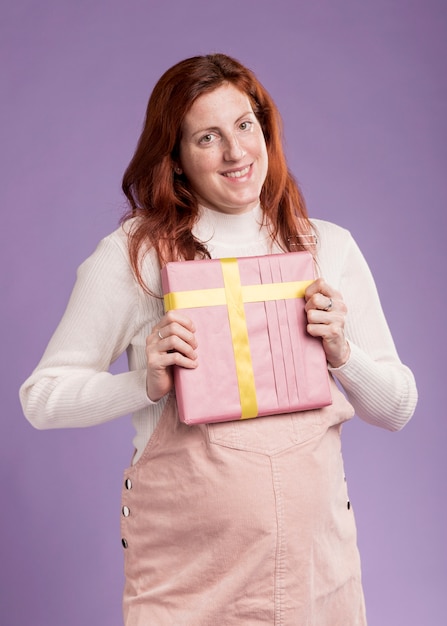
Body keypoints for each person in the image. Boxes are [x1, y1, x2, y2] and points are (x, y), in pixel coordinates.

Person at [20, 53, 417, 625]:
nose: (236, 154)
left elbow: (398, 408)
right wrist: (143, 383)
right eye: (207, 137)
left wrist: (343, 354)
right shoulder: (136, 257)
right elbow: (42, 399)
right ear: (176, 159)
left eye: (245, 126)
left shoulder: (326, 247)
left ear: (265, 130)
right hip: (189, 579)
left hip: (317, 572)